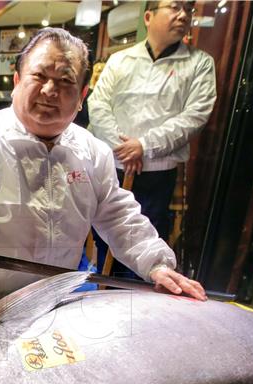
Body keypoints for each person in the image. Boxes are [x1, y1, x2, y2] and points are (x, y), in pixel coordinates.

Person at [0, 28, 205, 311]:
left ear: (82, 96)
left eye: (65, 81)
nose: (50, 90)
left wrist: (157, 264)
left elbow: (119, 215)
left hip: (54, 298)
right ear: (17, 82)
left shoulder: (92, 151)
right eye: (39, 76)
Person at [88, 0, 216, 273]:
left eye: (188, 9)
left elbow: (195, 115)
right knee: (103, 237)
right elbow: (98, 105)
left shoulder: (200, 64)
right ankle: (102, 292)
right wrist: (122, 147)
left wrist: (145, 146)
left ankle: (132, 300)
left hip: (157, 172)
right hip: (114, 166)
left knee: (146, 241)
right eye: (175, 7)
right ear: (148, 17)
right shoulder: (120, 59)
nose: (183, 15)